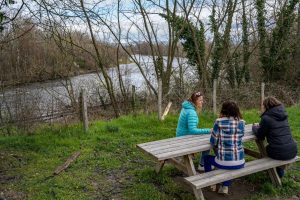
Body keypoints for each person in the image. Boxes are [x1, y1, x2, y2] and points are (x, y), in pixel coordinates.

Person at [204, 101, 245, 194]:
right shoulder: (242, 123)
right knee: (229, 164)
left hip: (224, 160)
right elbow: (241, 137)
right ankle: (225, 187)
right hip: (240, 161)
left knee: (207, 159)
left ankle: (211, 183)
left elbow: (213, 141)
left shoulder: (219, 122)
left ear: (223, 110)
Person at [252, 96, 298, 177]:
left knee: (268, 149)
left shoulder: (266, 118)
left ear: (266, 106)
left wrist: (254, 127)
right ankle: (279, 172)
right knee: (277, 147)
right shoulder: (284, 115)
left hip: (279, 152)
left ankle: (275, 174)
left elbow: (260, 136)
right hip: (293, 149)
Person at [176, 91, 211, 171]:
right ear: (194, 101)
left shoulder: (186, 107)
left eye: (202, 100)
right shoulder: (191, 112)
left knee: (206, 138)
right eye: (200, 100)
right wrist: (209, 130)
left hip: (180, 136)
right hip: (185, 139)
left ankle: (189, 159)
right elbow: (193, 130)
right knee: (209, 142)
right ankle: (202, 165)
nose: (202, 102)